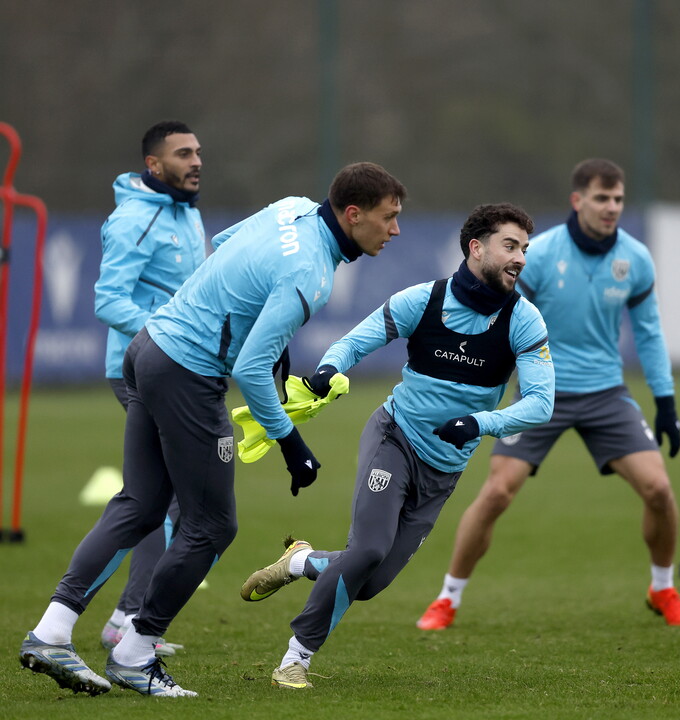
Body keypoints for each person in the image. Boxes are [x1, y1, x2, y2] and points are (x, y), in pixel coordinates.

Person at [19, 162, 407, 697]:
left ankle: (52, 632)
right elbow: (250, 370)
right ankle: (134, 653)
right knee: (212, 527)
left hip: (148, 346)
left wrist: (250, 323)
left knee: (139, 505)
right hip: (187, 374)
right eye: (388, 218)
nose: (395, 230)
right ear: (354, 214)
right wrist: (292, 447)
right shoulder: (311, 274)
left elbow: (226, 243)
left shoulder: (290, 205)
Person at [239, 202, 554, 690]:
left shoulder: (523, 321)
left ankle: (300, 561)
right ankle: (294, 659)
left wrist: (478, 422)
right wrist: (329, 368)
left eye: (525, 249)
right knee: (365, 551)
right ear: (476, 248)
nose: (520, 259)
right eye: (510, 246)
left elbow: (540, 404)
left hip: (443, 470)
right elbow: (355, 341)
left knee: (369, 583)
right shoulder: (423, 300)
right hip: (394, 437)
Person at [416, 159, 680, 632]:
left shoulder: (636, 258)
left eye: (618, 199)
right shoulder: (539, 254)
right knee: (498, 492)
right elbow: (502, 320)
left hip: (607, 393)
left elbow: (648, 333)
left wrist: (666, 403)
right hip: (540, 392)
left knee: (659, 489)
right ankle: (448, 598)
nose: (611, 207)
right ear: (578, 200)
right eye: (602, 198)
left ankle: (663, 587)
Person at [93, 120, 205, 658]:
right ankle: (125, 618)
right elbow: (108, 300)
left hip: (178, 368)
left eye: (198, 152)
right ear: (154, 165)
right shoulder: (134, 219)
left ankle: (127, 617)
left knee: (172, 499)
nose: (197, 161)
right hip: (141, 369)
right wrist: (164, 335)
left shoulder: (187, 212)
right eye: (184, 153)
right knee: (168, 499)